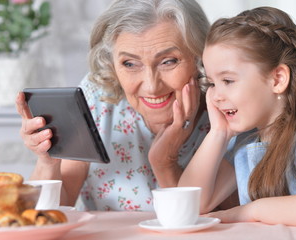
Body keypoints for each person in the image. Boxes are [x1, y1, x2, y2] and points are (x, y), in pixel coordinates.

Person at [15, 0, 212, 211]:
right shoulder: (97, 96)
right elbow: (49, 213)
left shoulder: (224, 110)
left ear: (200, 57)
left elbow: (207, 222)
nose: (152, 86)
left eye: (169, 61)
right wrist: (49, 161)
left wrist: (165, 162)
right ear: (111, 64)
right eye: (130, 64)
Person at [178, 6, 296, 228]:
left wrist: (253, 210)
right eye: (212, 83)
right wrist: (218, 134)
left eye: (228, 81)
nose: (215, 96)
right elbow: (189, 204)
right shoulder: (246, 142)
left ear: (278, 79)